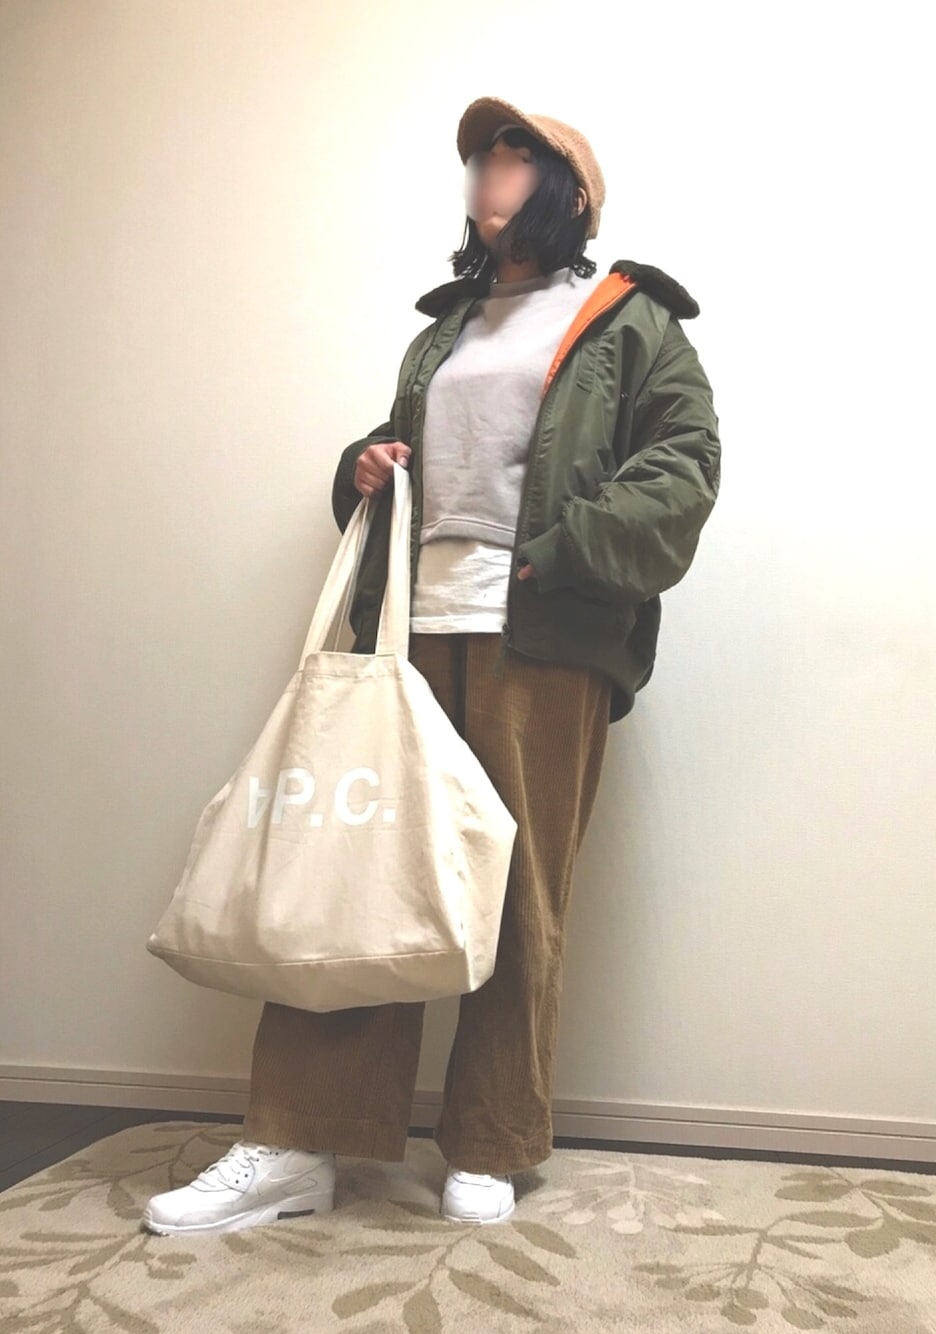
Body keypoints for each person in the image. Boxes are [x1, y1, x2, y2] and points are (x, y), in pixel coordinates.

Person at [143, 95, 721, 1237]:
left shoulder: (630, 319)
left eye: (513, 154)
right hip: (409, 631)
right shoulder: (445, 328)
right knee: (358, 878)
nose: (486, 170)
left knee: (520, 894)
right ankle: (295, 1140)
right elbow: (414, 457)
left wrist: (557, 550)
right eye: (479, 156)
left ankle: (492, 1138)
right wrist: (365, 463)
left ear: (569, 191)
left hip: (543, 637)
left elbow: (684, 465)